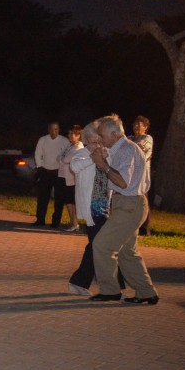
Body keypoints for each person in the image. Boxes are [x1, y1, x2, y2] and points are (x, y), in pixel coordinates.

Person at [90, 115, 159, 305]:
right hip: (129, 204)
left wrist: (102, 164)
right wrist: (104, 160)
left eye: (102, 135)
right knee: (128, 252)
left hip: (130, 205)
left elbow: (122, 181)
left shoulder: (127, 150)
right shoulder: (121, 148)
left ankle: (110, 291)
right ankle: (147, 293)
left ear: (114, 134)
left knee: (102, 245)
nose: (101, 139)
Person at [65, 119, 125, 295]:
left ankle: (80, 283)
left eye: (99, 140)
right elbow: (75, 167)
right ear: (86, 140)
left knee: (97, 245)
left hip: (104, 206)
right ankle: (113, 285)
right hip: (92, 208)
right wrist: (93, 158)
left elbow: (112, 171)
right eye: (93, 141)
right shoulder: (81, 154)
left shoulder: (105, 152)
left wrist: (105, 159)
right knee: (101, 244)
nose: (97, 144)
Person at [33, 122, 68, 227]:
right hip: (45, 171)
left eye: (56, 129)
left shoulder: (64, 141)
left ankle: (55, 222)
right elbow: (38, 153)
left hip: (59, 172)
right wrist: (39, 166)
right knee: (43, 197)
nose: (53, 132)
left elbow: (67, 154)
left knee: (59, 198)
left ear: (59, 130)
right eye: (52, 129)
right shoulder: (42, 140)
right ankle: (40, 220)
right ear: (48, 129)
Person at [130, 115, 154, 236]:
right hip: (129, 175)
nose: (136, 127)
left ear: (146, 127)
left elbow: (139, 151)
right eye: (135, 124)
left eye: (139, 125)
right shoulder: (129, 138)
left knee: (142, 201)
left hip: (141, 176)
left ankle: (145, 228)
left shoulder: (147, 138)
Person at [58, 125, 84, 231]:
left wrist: (61, 158)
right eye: (69, 133)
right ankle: (73, 223)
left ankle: (74, 224)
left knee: (71, 202)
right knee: (69, 201)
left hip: (72, 179)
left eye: (72, 133)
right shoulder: (70, 146)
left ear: (78, 135)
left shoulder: (78, 148)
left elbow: (65, 159)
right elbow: (60, 156)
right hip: (66, 177)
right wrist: (61, 158)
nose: (69, 135)